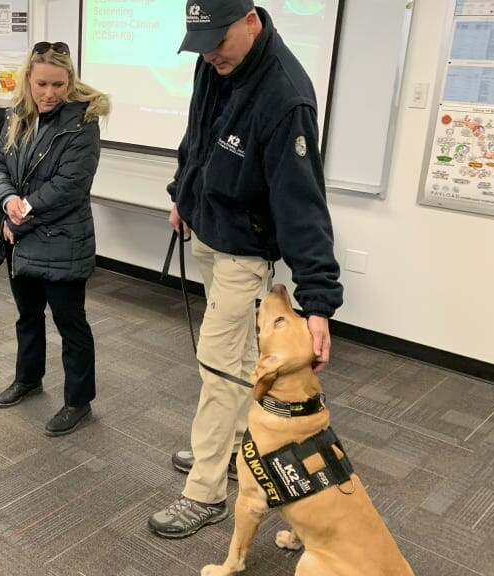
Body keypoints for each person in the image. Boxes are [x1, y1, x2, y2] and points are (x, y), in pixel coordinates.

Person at [147, 0, 344, 538]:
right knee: (234, 359)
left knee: (216, 364)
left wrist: (318, 303)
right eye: (201, 42)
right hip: (207, 229)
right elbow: (197, 138)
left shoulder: (286, 97)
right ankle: (234, 446)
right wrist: (182, 195)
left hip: (244, 251)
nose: (210, 54)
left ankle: (205, 493)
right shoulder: (214, 63)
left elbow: (303, 207)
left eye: (218, 40)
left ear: (251, 21)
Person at [0, 41, 110, 437]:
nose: (49, 93)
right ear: (29, 79)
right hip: (22, 241)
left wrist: (16, 220)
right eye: (42, 84)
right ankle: (28, 378)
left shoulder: (82, 123)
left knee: (70, 324)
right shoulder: (17, 115)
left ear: (70, 81)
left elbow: (68, 188)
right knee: (28, 316)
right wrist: (7, 201)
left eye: (58, 84)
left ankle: (78, 401)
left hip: (62, 242)